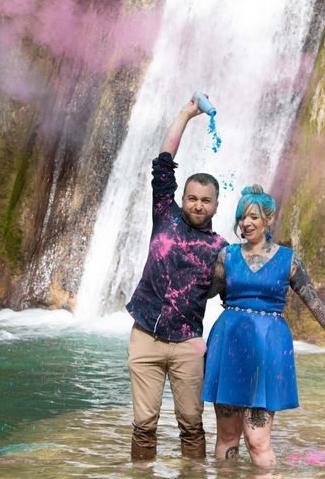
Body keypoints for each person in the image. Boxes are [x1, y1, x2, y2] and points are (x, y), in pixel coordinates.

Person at [202, 184, 325, 468]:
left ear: (268, 220)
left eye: (253, 217)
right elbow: (206, 292)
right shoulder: (227, 255)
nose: (246, 223)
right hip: (228, 343)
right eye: (242, 217)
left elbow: (313, 301)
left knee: (257, 440)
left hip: (267, 349)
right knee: (226, 436)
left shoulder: (289, 259)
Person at [125, 97, 227, 460]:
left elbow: (236, 293)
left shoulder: (221, 248)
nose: (198, 205)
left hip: (188, 343)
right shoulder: (164, 214)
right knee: (144, 422)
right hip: (146, 336)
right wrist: (185, 113)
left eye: (206, 200)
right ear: (181, 198)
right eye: (193, 198)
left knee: (190, 422)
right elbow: (163, 162)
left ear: (216, 205)